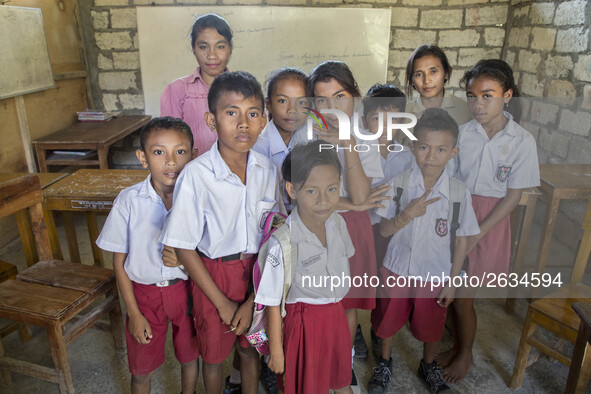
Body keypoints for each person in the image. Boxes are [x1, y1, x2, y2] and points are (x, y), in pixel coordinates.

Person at [160, 71, 285, 394]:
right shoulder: (197, 176)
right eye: (231, 113)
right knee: (213, 357)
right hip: (212, 275)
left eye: (252, 114)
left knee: (249, 349)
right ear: (211, 121)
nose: (243, 123)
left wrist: (253, 298)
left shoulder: (267, 170)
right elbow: (185, 247)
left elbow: (276, 235)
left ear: (263, 121)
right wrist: (224, 304)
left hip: (256, 272)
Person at [438, 59, 540, 384]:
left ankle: (465, 355)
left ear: (507, 95)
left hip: (490, 224)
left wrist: (476, 234)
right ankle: (458, 346)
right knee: (452, 291)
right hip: (459, 215)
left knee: (463, 295)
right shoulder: (462, 134)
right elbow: (451, 180)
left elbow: (513, 197)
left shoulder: (522, 141)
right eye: (471, 96)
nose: (477, 104)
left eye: (487, 95)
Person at [368, 108, 480, 394]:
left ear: (453, 152)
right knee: (388, 319)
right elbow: (382, 231)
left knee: (431, 324)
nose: (431, 156)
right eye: (424, 147)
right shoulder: (399, 184)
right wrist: (405, 215)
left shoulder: (457, 192)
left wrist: (453, 281)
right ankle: (384, 361)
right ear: (412, 147)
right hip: (396, 268)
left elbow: (463, 241)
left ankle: (427, 364)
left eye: (441, 149)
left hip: (435, 273)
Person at [293, 61, 384, 378]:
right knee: (311, 300)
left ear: (355, 97)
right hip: (312, 225)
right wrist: (349, 204)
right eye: (322, 99)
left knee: (346, 306)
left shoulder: (365, 138)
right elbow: (303, 192)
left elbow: (360, 198)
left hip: (350, 229)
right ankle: (312, 365)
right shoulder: (304, 135)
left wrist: (347, 143)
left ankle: (342, 369)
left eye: (340, 95)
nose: (332, 107)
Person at [96, 117, 199, 394]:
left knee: (190, 357)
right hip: (143, 297)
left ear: (194, 155)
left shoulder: (199, 201)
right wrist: (133, 312)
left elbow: (206, 253)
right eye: (158, 152)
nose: (171, 162)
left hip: (184, 292)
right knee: (141, 368)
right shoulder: (128, 202)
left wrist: (183, 261)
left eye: (180, 151)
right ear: (142, 158)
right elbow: (119, 262)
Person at [256, 140, 355, 394]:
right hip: (303, 325)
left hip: (336, 318)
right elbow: (272, 303)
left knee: (341, 379)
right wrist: (276, 352)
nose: (324, 200)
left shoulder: (339, 225)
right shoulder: (284, 242)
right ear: (291, 189)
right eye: (312, 191)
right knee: (305, 386)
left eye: (331, 189)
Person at [161, 13, 232, 156]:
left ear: (230, 48)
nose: (212, 55)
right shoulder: (176, 90)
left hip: (236, 174)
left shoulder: (245, 90)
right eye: (204, 47)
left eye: (220, 47)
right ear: (194, 49)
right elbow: (168, 141)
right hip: (189, 173)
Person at [404, 44, 472, 127]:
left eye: (433, 72)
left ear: (446, 73)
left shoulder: (465, 110)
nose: (427, 80)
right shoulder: (403, 114)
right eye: (418, 74)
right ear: (412, 80)